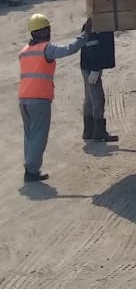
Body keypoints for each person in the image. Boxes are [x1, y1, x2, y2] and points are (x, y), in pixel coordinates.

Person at [18, 13, 88, 183]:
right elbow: (69, 49)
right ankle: (32, 171)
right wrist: (85, 35)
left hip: (24, 99)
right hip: (39, 99)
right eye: (45, 30)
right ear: (42, 32)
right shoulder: (46, 49)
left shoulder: (24, 51)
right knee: (38, 135)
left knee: (30, 135)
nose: (47, 33)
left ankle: (30, 167)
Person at [80, 30, 118, 142]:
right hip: (91, 67)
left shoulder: (94, 25)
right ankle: (99, 132)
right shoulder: (95, 27)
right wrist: (95, 69)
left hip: (87, 66)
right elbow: (92, 48)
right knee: (97, 99)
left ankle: (88, 131)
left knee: (89, 98)